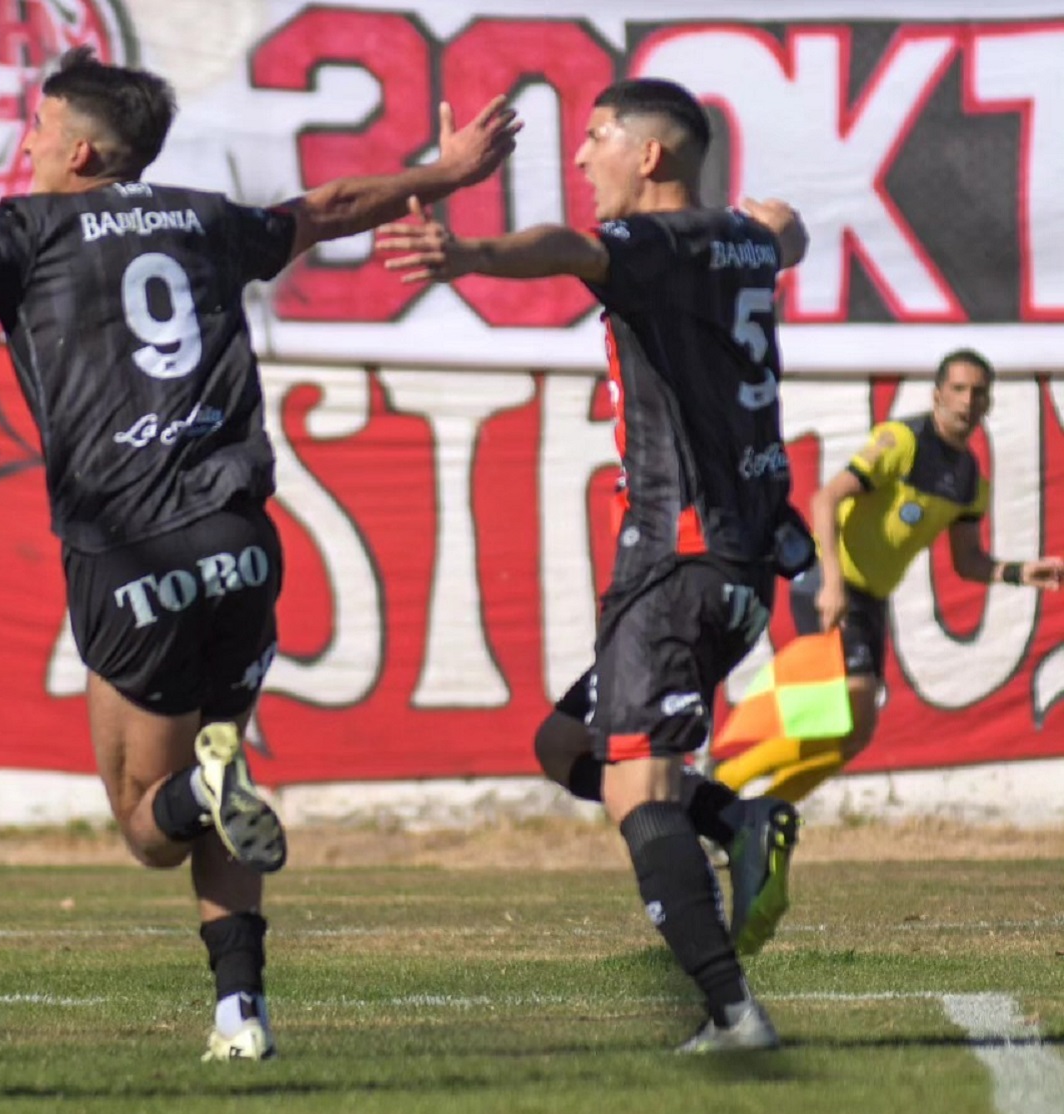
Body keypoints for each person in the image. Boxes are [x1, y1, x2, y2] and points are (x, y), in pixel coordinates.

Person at [0, 47, 519, 1061]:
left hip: (128, 549)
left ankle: (207, 801)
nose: (22, 144)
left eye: (34, 127)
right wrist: (448, 172)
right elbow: (334, 204)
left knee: (151, 825)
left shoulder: (26, 235)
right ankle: (240, 1012)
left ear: (77, 150)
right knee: (221, 760)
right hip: (243, 542)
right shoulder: (207, 219)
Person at [379, 77, 808, 1051]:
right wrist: (769, 222)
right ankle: (739, 822)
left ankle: (732, 1011)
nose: (581, 159)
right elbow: (787, 229)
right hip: (737, 565)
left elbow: (566, 249)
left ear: (651, 155)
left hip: (678, 558)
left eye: (598, 138)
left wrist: (468, 254)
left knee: (632, 786)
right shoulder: (745, 242)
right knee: (565, 746)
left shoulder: (649, 247)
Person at [715, 350, 1064, 802]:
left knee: (855, 734)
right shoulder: (902, 441)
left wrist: (1018, 572)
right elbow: (825, 500)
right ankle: (725, 783)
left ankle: (760, 815)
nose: (967, 401)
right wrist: (833, 583)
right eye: (957, 389)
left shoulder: (969, 479)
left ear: (988, 404)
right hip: (832, 584)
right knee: (851, 712)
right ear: (937, 395)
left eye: (978, 392)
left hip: (870, 599)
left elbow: (967, 562)